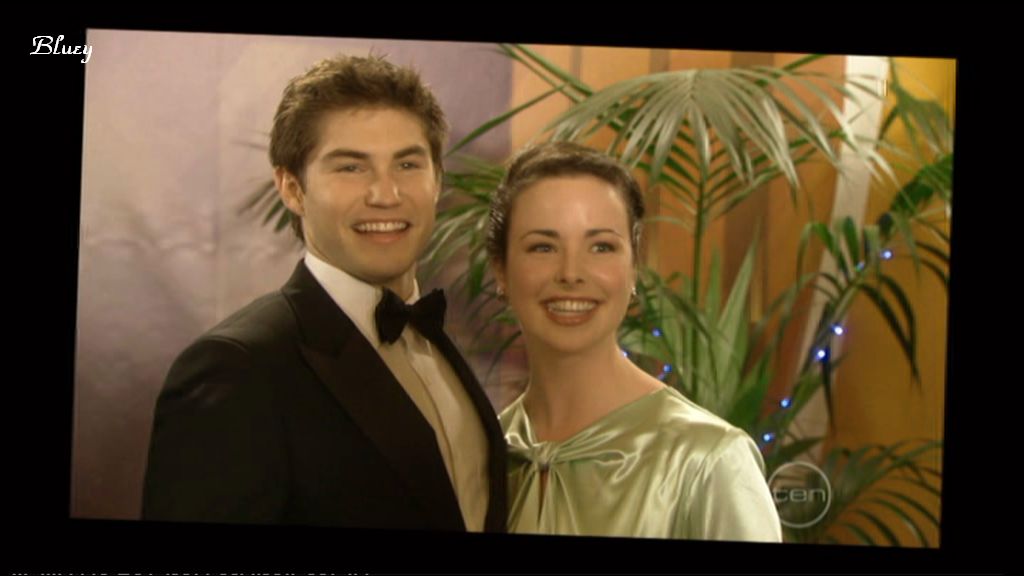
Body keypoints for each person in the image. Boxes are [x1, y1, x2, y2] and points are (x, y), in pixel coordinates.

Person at [143, 54, 506, 531]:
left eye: (407, 164)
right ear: (292, 188)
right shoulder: (237, 369)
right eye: (351, 167)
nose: (386, 194)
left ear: (437, 180)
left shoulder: (434, 340)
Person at [486, 141, 781, 540]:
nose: (571, 273)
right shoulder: (480, 456)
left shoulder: (708, 460)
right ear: (500, 270)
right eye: (543, 246)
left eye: (601, 247)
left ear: (634, 268)